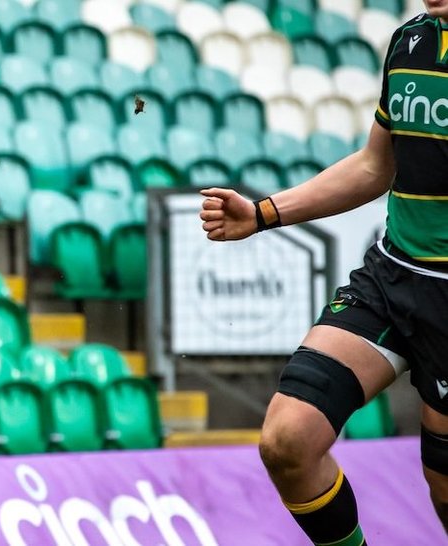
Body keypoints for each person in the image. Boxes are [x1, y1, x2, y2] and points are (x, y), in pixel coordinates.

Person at [199, 5, 448, 543]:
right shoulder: (411, 41)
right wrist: (263, 213)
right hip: (393, 277)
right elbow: (374, 167)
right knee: (288, 441)